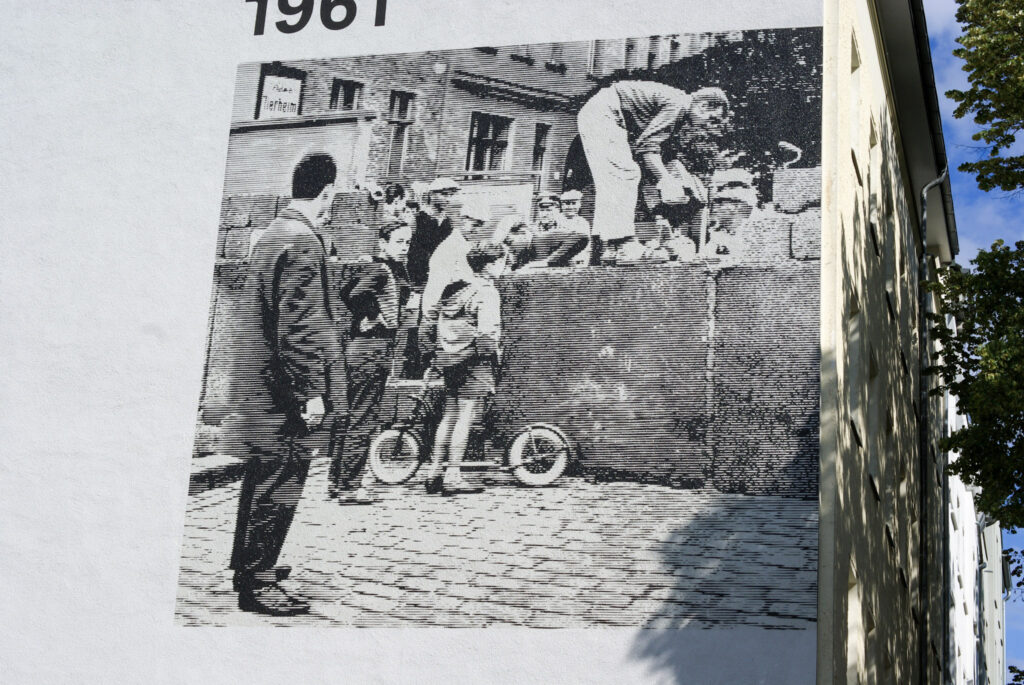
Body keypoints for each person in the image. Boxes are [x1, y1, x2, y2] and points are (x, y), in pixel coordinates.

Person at [227, 153, 345, 616]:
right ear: (328, 192)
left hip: (262, 383)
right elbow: (298, 327)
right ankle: (258, 582)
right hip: (283, 389)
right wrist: (311, 392)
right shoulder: (302, 241)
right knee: (282, 481)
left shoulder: (275, 233)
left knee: (262, 477)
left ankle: (249, 567)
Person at [576, 80, 729, 263]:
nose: (709, 126)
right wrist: (667, 181)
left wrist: (670, 177)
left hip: (602, 112)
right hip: (605, 112)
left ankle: (607, 248)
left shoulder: (678, 110)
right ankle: (624, 245)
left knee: (612, 180)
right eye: (712, 119)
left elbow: (656, 151)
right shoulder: (678, 105)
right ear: (703, 106)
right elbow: (648, 150)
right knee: (625, 174)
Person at [329, 220, 416, 504]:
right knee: (362, 417)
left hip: (371, 348)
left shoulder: (388, 268)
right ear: (383, 243)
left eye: (407, 242)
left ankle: (337, 481)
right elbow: (351, 294)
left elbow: (346, 289)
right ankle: (349, 487)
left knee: (353, 415)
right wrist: (371, 316)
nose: (404, 248)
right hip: (371, 348)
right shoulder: (379, 268)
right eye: (399, 242)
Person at [420, 241, 508, 496]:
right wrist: (489, 356)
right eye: (502, 261)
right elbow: (487, 336)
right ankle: (453, 475)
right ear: (491, 265)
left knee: (449, 415)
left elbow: (428, 322)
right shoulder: (487, 292)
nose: (504, 265)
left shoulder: (456, 289)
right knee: (466, 416)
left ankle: (435, 471)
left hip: (449, 360)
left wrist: (435, 357)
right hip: (474, 362)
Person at [407, 177, 460, 288]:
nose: (448, 199)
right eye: (445, 194)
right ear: (431, 194)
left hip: (439, 277)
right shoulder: (417, 219)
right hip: (416, 276)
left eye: (451, 195)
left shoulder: (448, 222)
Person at [520, 194, 589, 269]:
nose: (544, 214)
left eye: (549, 210)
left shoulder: (564, 229)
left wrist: (547, 262)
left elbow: (582, 237)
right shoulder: (531, 230)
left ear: (558, 211)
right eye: (541, 210)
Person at [558, 189, 593, 266]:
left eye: (574, 203)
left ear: (579, 205)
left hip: (578, 261)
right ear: (562, 205)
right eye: (567, 203)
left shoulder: (583, 223)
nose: (570, 207)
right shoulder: (557, 220)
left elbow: (587, 247)